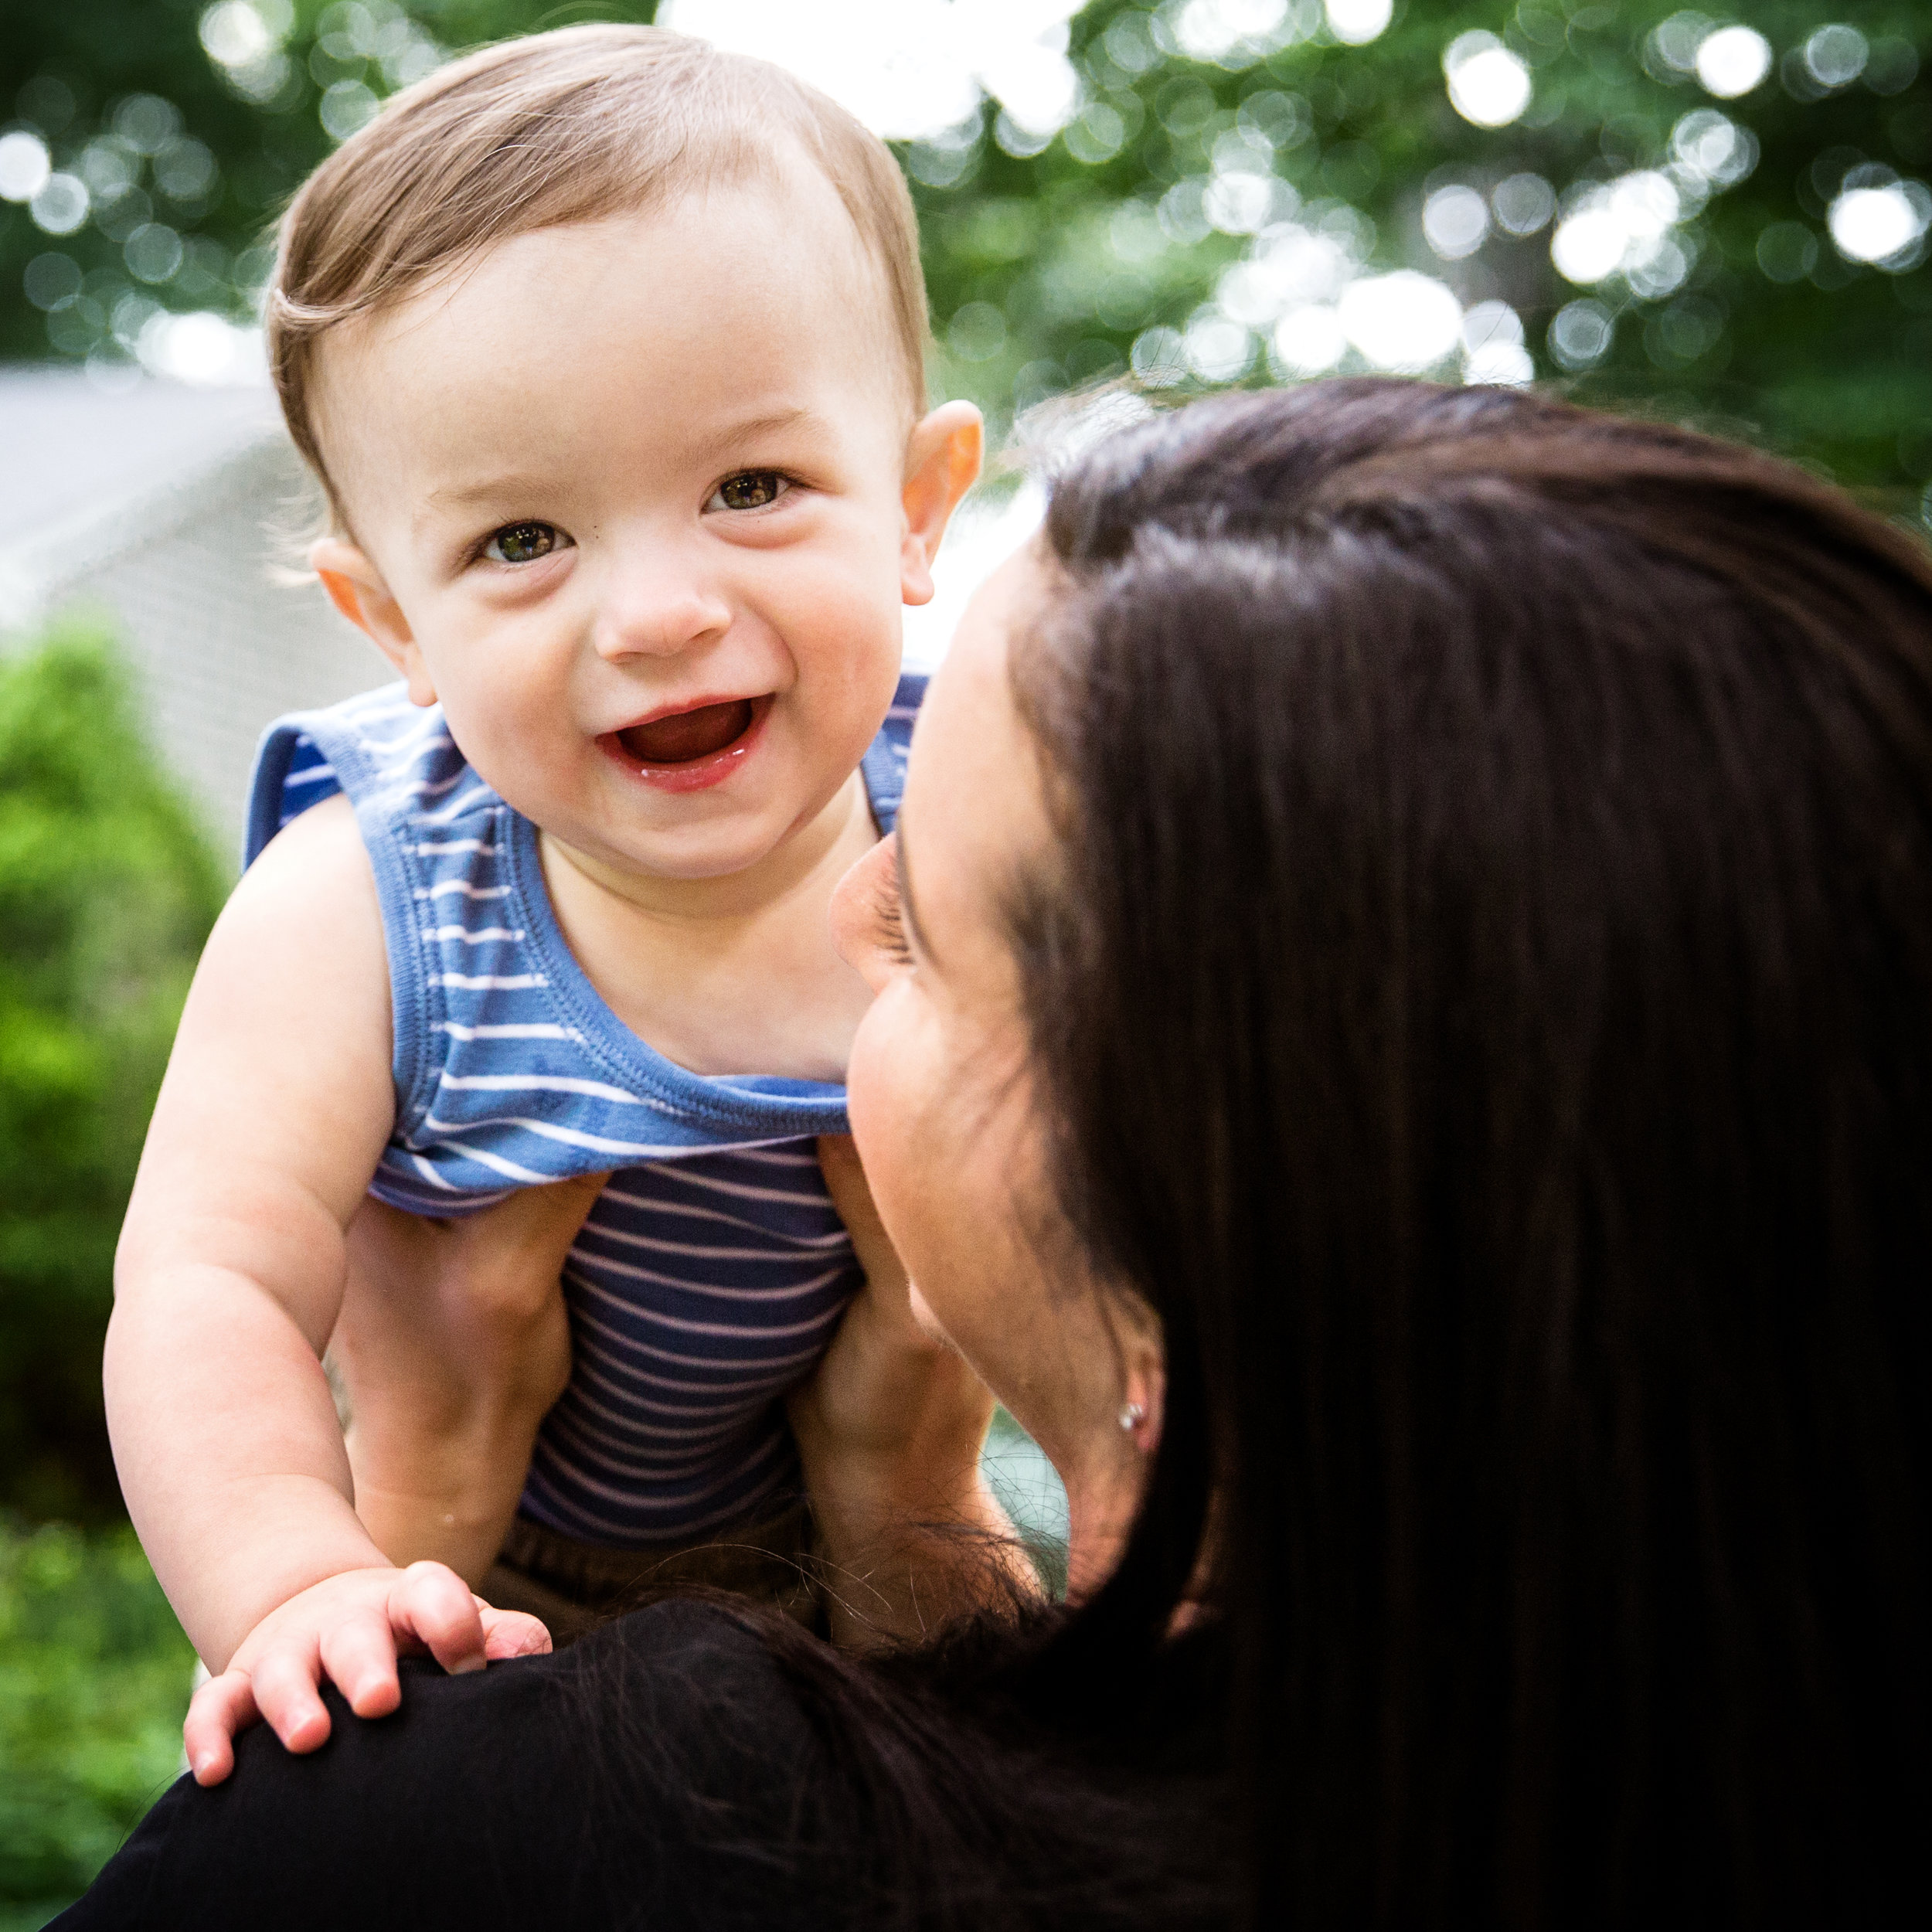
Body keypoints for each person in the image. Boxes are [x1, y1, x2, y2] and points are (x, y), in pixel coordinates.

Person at [67, 380, 1930, 1927]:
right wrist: (905, 1499)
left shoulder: (540, 1841)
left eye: (919, 937)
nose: (837, 892)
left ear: (1182, 1321)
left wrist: (416, 1519)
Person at [103, 19, 993, 1708]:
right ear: (391, 622)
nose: (655, 611)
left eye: (752, 482)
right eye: (522, 538)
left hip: (866, 1575)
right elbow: (207, 1277)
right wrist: (301, 1580)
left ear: (915, 507)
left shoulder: (979, 837)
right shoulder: (368, 891)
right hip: (465, 1587)